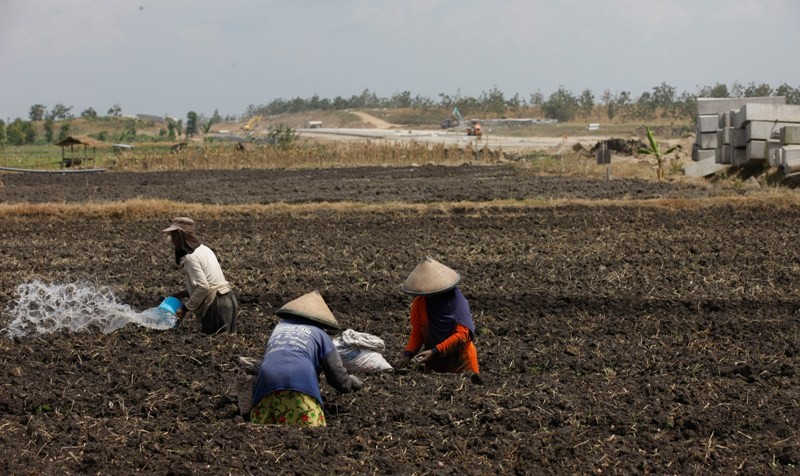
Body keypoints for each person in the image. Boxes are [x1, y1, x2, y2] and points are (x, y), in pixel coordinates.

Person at [250, 290, 363, 427]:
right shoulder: (322, 336)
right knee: (311, 431)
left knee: (263, 430)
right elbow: (337, 376)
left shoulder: (279, 328)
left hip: (266, 384)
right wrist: (351, 382)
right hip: (299, 384)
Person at [395, 257, 480, 375]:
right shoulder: (420, 303)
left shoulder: (457, 303)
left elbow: (462, 335)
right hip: (435, 366)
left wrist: (434, 351)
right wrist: (408, 354)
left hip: (462, 365)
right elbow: (417, 332)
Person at [162, 216, 239, 334]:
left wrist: (184, 308)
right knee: (226, 344)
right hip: (229, 301)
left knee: (215, 347)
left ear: (179, 235)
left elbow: (204, 287)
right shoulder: (205, 250)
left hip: (216, 306)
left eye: (172, 236)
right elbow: (208, 282)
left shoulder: (191, 258)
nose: (172, 240)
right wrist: (180, 294)